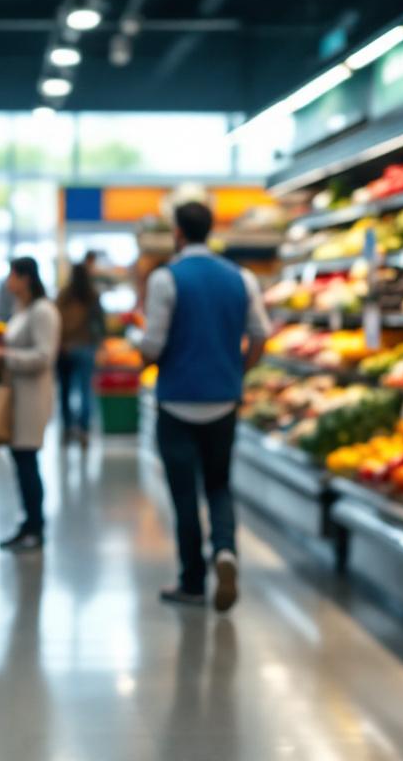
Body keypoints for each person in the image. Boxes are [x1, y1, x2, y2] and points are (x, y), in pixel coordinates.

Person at [140, 201, 270, 613]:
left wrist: (141, 353)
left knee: (183, 494)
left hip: (177, 402)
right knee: (218, 484)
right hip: (223, 399)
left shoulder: (166, 279)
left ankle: (193, 581)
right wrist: (238, 370)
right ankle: (226, 550)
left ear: (178, 233)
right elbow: (260, 334)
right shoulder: (241, 278)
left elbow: (153, 346)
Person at [0, 258, 61, 552]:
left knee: (28, 464)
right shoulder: (22, 310)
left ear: (25, 277)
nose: (7, 282)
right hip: (16, 397)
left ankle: (36, 527)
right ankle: (28, 524)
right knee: (22, 464)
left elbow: (43, 356)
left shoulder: (43, 311)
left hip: (31, 399)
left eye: (11, 275)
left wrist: (4, 356)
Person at [55, 261, 105, 446]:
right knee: (85, 390)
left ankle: (67, 428)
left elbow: (55, 320)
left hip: (64, 348)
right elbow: (100, 324)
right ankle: (83, 430)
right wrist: (99, 345)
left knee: (65, 391)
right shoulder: (92, 295)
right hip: (85, 347)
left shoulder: (63, 295)